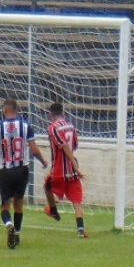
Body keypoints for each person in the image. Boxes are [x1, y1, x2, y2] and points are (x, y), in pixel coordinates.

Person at [0, 98, 48, 249]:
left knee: (4, 207)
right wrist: (43, 161)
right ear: (17, 110)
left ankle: (9, 225)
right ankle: (17, 233)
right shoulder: (26, 126)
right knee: (19, 205)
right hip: (22, 170)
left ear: (4, 110)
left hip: (6, 171)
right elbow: (34, 150)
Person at [43, 102, 88, 238]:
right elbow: (74, 145)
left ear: (51, 114)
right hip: (72, 171)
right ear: (63, 113)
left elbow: (64, 147)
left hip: (59, 169)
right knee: (76, 201)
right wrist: (74, 166)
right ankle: (80, 229)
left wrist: (73, 165)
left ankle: (54, 211)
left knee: (47, 186)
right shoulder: (71, 126)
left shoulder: (52, 128)